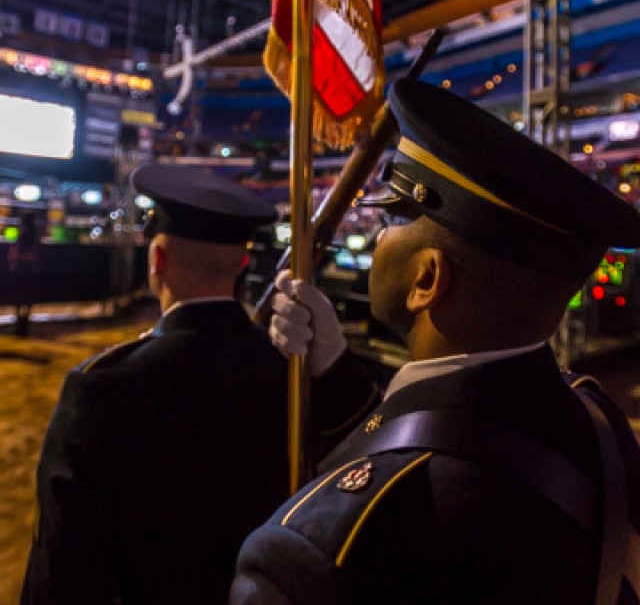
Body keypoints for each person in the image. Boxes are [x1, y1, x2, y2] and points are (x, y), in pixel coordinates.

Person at [230, 78, 640, 605]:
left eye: (389, 219)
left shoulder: (321, 551)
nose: (378, 237)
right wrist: (331, 367)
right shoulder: (599, 423)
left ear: (427, 279)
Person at [20, 164, 377, 605]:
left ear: (157, 261)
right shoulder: (290, 371)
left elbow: (61, 564)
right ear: (243, 264)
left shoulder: (102, 387)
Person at [8, 210, 43, 335]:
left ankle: (20, 323)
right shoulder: (35, 237)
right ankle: (24, 323)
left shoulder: (22, 236)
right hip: (30, 270)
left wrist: (16, 260)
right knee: (28, 297)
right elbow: (36, 255)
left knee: (19, 296)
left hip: (21, 269)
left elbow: (14, 252)